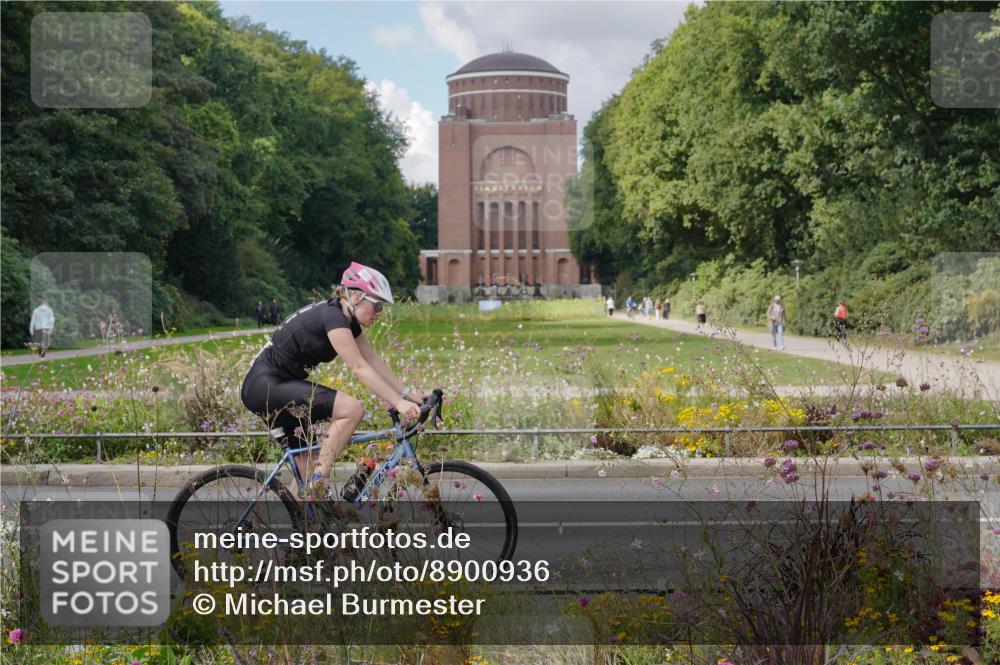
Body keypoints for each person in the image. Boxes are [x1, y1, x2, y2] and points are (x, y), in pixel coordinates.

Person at [241, 262, 427, 502]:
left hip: (274, 385)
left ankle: (300, 523)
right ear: (357, 296)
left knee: (306, 467)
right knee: (352, 409)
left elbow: (371, 360)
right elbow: (359, 368)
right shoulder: (333, 317)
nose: (379, 312)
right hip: (265, 386)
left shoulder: (345, 318)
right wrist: (397, 403)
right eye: (377, 304)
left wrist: (406, 393)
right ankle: (319, 483)